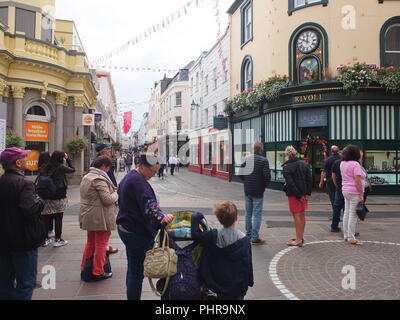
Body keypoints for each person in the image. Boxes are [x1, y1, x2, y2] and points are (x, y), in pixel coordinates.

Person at [116, 154, 174, 300]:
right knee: (137, 273)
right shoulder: (138, 181)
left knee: (132, 269)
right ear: (142, 167)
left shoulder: (131, 176)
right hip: (135, 232)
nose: (153, 175)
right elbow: (149, 205)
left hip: (126, 228)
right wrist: (162, 217)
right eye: (153, 172)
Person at [0, 147, 45, 300]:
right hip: (23, 240)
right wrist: (40, 201)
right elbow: (30, 210)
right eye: (24, 158)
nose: (27, 160)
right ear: (18, 163)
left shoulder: (2, 181)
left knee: (5, 282)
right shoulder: (24, 183)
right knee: (26, 283)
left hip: (4, 240)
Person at [191, 201, 254, 300]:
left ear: (219, 219)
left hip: (216, 285)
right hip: (237, 288)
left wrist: (196, 216)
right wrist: (249, 281)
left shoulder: (213, 235)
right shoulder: (244, 240)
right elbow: (247, 263)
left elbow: (195, 235)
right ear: (236, 218)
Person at [79, 156, 118, 281]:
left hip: (88, 214)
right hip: (99, 216)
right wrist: (116, 193)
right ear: (103, 166)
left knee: (90, 242)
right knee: (101, 243)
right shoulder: (99, 179)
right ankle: (98, 271)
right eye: (108, 168)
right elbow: (107, 200)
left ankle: (85, 267)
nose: (108, 170)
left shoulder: (87, 176)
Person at [41, 150, 75, 248]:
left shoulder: (45, 166)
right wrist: (68, 159)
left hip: (46, 195)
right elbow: (72, 169)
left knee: (47, 217)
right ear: (61, 158)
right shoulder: (61, 167)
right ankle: (58, 239)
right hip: (58, 195)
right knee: (58, 217)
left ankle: (45, 238)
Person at [239, 142, 271, 245]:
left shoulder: (246, 159)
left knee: (248, 213)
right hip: (258, 191)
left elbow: (240, 173)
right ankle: (254, 237)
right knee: (257, 214)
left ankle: (248, 235)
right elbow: (267, 177)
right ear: (261, 149)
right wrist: (263, 186)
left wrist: (246, 181)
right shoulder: (263, 160)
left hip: (247, 190)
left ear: (253, 149)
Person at [282, 146, 312, 247]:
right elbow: (309, 179)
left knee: (296, 215)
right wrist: (307, 193)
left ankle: (298, 239)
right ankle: (300, 236)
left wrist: (299, 196)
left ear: (287, 155)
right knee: (302, 214)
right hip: (304, 194)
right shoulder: (304, 164)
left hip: (294, 195)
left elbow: (291, 184)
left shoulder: (286, 167)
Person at [340, 145, 366, 246]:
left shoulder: (342, 163)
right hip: (354, 192)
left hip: (345, 190)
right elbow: (358, 181)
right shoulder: (355, 164)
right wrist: (361, 195)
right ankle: (351, 237)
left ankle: (346, 235)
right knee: (353, 215)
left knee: (346, 213)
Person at [319, 146, 342, 218]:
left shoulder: (328, 160)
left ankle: (335, 215)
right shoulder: (342, 159)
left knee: (332, 197)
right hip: (341, 180)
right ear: (338, 151)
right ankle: (344, 214)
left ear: (331, 151)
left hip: (330, 180)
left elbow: (323, 172)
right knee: (342, 197)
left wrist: (321, 182)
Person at [38, 152, 55, 243]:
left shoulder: (40, 166)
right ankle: (47, 234)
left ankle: (47, 233)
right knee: (48, 215)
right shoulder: (48, 167)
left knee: (45, 215)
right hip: (48, 193)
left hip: (42, 193)